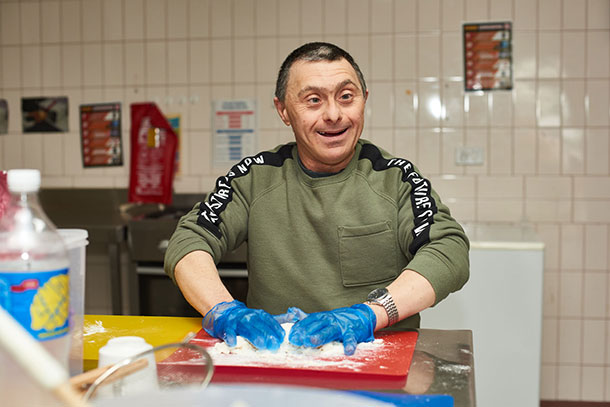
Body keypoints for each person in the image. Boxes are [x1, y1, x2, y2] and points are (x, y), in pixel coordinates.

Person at [164, 42, 469, 356]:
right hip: (276, 362)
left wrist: (371, 313)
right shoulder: (253, 178)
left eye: (346, 97)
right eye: (313, 100)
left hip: (379, 361)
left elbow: (449, 251)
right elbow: (190, 241)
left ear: (365, 99)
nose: (334, 114)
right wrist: (224, 310)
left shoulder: (397, 179)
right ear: (283, 110)